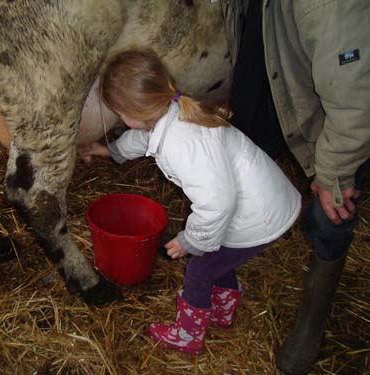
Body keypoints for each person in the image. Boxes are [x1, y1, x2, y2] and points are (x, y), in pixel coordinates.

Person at [81, 49, 301, 355]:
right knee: (217, 255)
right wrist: (112, 151)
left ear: (129, 114)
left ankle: (188, 335)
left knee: (198, 269)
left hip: (255, 214)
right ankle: (224, 309)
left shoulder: (181, 144)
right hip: (260, 201)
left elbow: (217, 203)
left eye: (118, 113)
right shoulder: (170, 111)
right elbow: (145, 139)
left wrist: (191, 240)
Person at [261, 1, 370, 374]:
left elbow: (356, 95)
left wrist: (333, 175)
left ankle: (312, 322)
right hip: (326, 83)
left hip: (353, 106)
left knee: (333, 209)